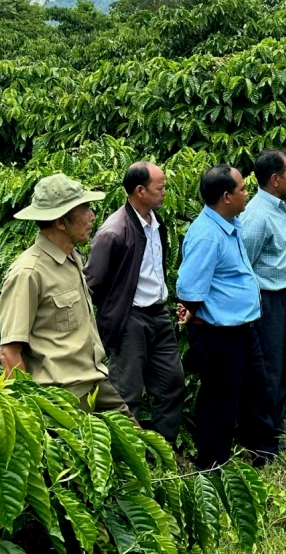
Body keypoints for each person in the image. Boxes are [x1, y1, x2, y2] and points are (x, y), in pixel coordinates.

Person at [0, 173, 131, 416]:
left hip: (96, 381)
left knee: (141, 448)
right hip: (62, 397)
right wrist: (30, 412)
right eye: (84, 209)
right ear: (60, 222)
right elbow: (9, 352)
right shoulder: (28, 273)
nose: (92, 216)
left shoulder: (73, 257)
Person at [175, 164, 279, 469]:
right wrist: (192, 308)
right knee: (221, 400)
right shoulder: (207, 235)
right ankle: (212, 464)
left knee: (255, 392)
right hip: (219, 333)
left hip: (243, 328)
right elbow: (189, 286)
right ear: (226, 197)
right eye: (242, 189)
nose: (247, 194)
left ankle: (263, 451)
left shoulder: (229, 225)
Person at [83, 161, 186, 444]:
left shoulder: (155, 223)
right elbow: (91, 282)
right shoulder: (114, 231)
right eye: (160, 187)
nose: (165, 192)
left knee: (172, 384)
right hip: (129, 320)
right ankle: (126, 463)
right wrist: (114, 312)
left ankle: (161, 453)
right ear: (140, 191)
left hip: (158, 314)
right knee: (126, 394)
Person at [240, 150, 286, 431]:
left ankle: (276, 426)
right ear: (275, 179)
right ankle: (263, 436)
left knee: (285, 367)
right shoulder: (256, 216)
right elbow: (244, 265)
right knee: (269, 369)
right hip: (269, 303)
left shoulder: (285, 202)